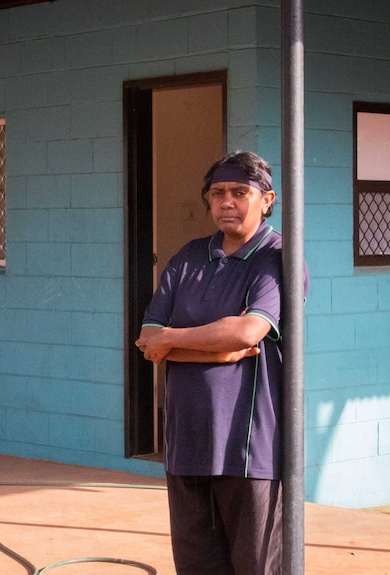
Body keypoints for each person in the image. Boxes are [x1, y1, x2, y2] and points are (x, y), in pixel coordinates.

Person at [135, 151, 307, 575]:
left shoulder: (278, 260)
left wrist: (176, 340)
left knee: (255, 567)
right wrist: (217, 349)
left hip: (249, 452)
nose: (226, 201)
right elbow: (148, 340)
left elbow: (247, 333)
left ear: (267, 200)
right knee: (195, 566)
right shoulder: (188, 258)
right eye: (217, 193)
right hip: (187, 443)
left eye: (239, 192)